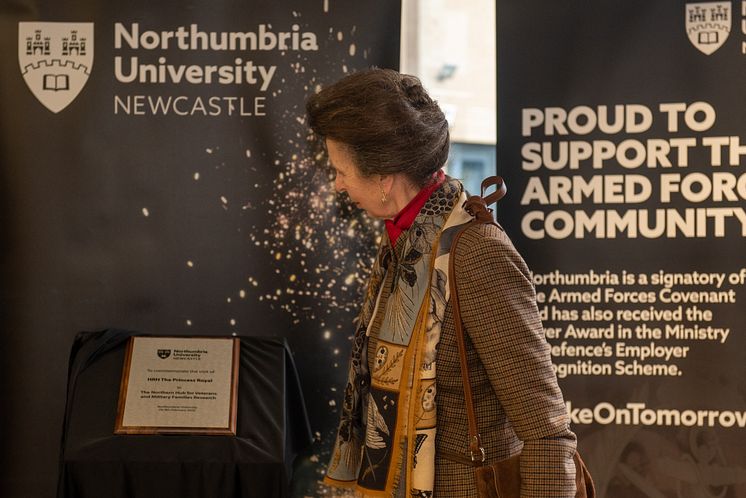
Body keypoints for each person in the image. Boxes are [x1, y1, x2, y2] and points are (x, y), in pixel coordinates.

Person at [307, 68, 577, 497]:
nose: (337, 183)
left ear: (383, 177)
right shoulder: (403, 242)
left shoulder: (476, 252)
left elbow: (548, 431)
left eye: (341, 170)